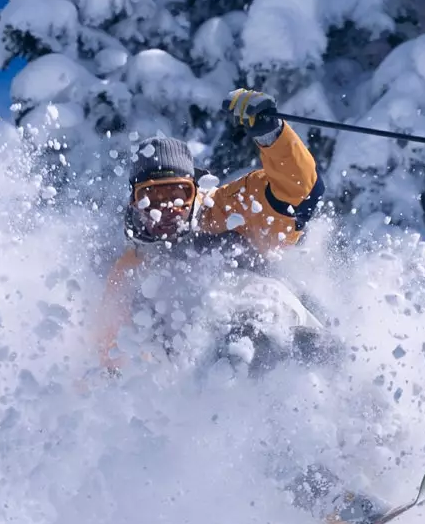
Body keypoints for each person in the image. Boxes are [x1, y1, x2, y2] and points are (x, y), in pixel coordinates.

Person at [97, 88, 325, 373]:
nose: (166, 208)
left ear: (195, 192)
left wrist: (273, 136)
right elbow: (111, 353)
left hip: (285, 330)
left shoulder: (228, 210)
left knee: (253, 306)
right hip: (205, 370)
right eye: (152, 197)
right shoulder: (133, 268)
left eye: (179, 195)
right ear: (135, 203)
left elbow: (298, 193)